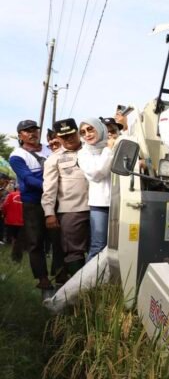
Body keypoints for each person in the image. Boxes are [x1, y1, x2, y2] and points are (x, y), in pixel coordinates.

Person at [9, 119, 65, 289]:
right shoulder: (17, 155)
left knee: (59, 240)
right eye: (27, 131)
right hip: (33, 203)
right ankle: (42, 278)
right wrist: (53, 187)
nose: (32, 133)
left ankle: (61, 274)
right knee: (35, 242)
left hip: (56, 201)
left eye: (35, 129)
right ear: (20, 135)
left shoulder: (51, 149)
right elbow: (28, 179)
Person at [42, 118, 90, 275]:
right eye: (63, 137)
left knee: (100, 248)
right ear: (58, 137)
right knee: (74, 252)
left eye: (71, 134)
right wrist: (49, 213)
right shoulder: (53, 159)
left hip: (99, 207)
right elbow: (49, 188)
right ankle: (78, 291)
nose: (68, 139)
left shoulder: (92, 151)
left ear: (77, 132)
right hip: (71, 211)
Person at [77, 118, 115, 261]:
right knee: (98, 246)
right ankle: (87, 283)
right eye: (83, 132)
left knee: (118, 245)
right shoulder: (83, 153)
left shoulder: (114, 145)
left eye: (90, 129)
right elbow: (97, 173)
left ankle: (109, 281)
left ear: (100, 128)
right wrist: (108, 150)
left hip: (121, 202)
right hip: (100, 205)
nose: (87, 134)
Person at [3, 183, 24, 262]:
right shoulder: (27, 197)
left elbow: (4, 206)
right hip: (22, 221)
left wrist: (5, 215)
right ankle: (17, 257)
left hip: (10, 221)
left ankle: (14, 256)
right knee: (19, 240)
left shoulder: (10, 195)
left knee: (13, 239)